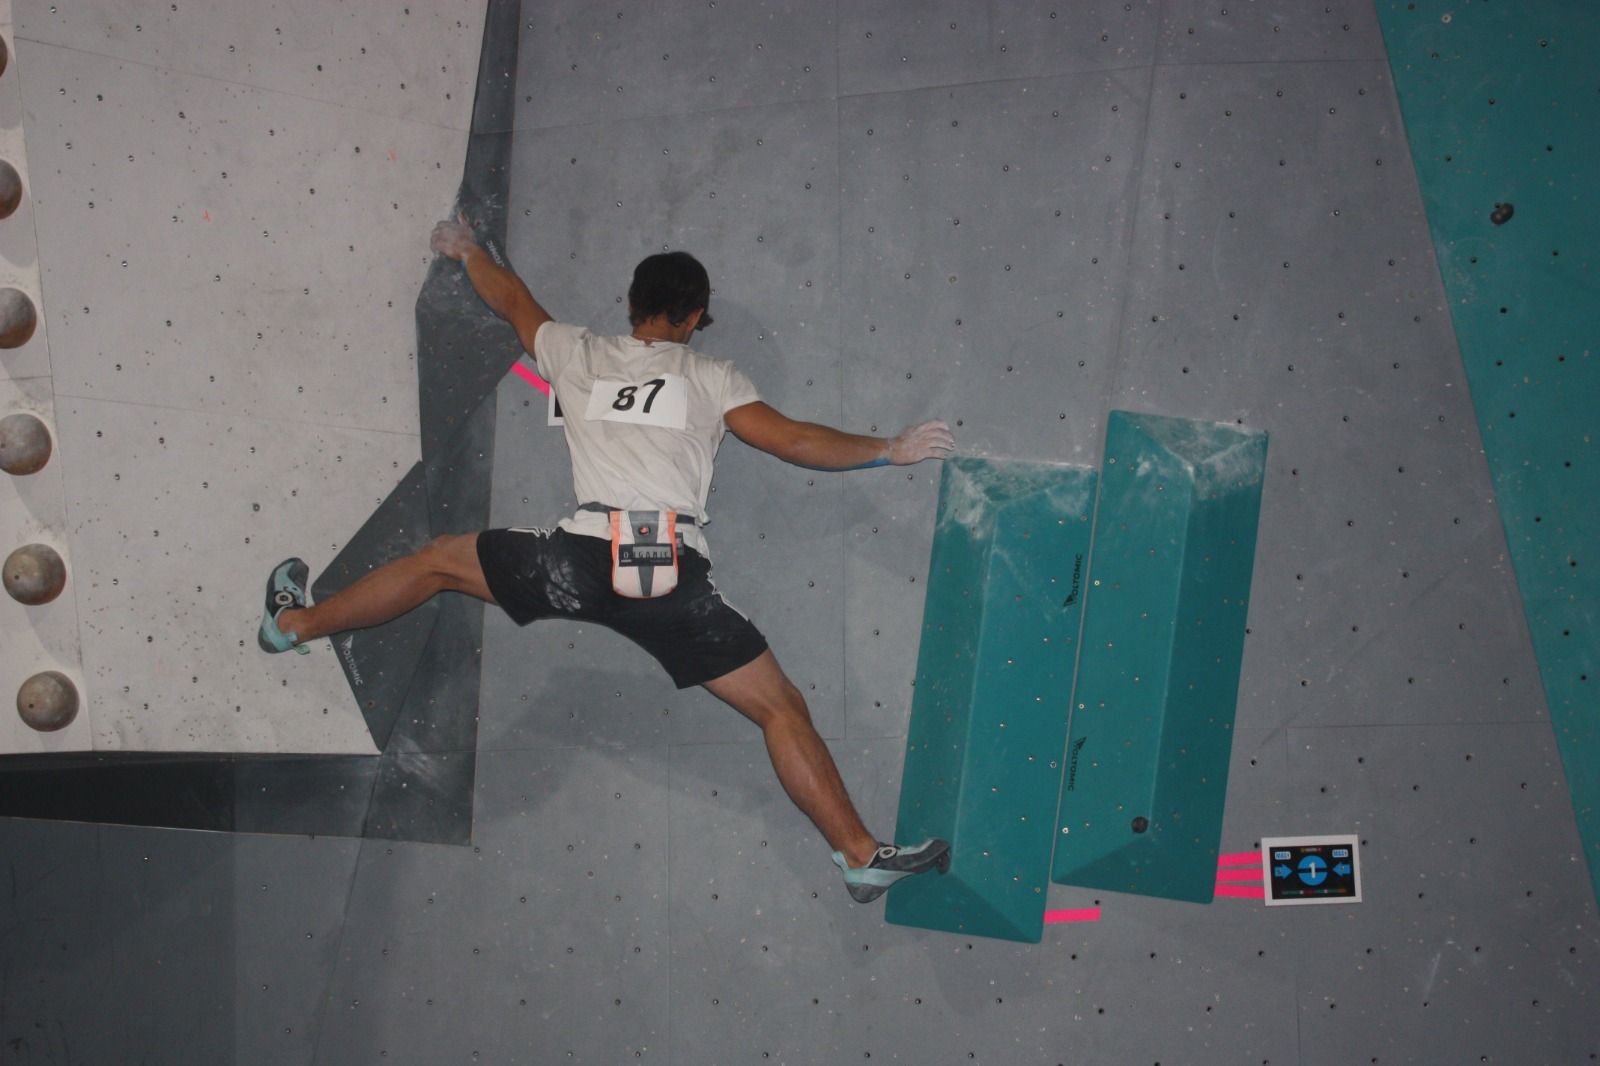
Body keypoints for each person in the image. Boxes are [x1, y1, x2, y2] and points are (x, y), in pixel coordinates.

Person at [259, 213, 956, 903]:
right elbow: (793, 441)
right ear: (695, 317)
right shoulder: (712, 376)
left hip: (576, 560)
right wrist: (888, 449)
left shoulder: (576, 351)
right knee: (780, 709)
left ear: (632, 305)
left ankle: (294, 627)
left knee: (436, 561)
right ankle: (860, 856)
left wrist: (464, 248)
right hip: (665, 569)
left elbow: (510, 299)